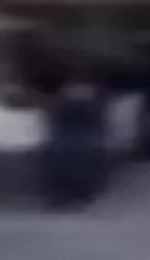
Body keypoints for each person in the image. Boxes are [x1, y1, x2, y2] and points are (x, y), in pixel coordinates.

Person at [43, 77, 109, 208]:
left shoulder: (62, 106)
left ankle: (61, 197)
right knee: (79, 169)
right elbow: (96, 125)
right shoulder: (91, 107)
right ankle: (79, 195)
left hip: (64, 143)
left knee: (62, 169)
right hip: (79, 143)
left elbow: (55, 124)